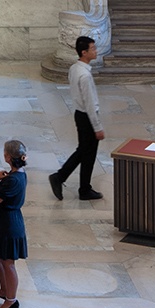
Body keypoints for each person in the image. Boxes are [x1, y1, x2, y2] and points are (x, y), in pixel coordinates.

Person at [49, 36, 105, 201]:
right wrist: (98, 127)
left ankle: (83, 187)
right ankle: (61, 178)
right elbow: (89, 104)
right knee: (86, 152)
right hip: (87, 117)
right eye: (93, 49)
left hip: (79, 115)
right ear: (84, 52)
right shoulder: (85, 76)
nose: (96, 51)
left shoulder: (75, 68)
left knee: (85, 152)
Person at [0, 139, 28, 308]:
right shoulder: (17, 175)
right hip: (4, 222)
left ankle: (11, 300)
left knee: (8, 262)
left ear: (7, 157)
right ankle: (4, 290)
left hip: (9, 224)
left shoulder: (11, 181)